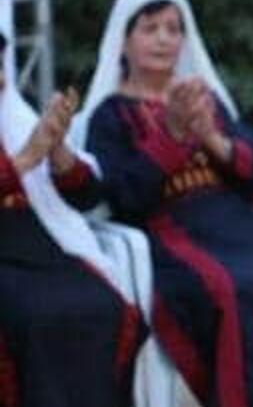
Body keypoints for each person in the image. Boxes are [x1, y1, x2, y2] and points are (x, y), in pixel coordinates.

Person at [73, 0, 253, 407]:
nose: (164, 39)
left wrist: (211, 137)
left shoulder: (206, 101)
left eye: (174, 29)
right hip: (168, 233)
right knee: (229, 290)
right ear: (124, 42)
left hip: (237, 223)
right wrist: (170, 137)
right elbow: (125, 197)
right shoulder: (110, 115)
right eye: (150, 28)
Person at [0, 31, 143, 407]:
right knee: (33, 318)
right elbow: (23, 162)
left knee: (102, 304)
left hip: (37, 241)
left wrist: (58, 149)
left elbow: (87, 197)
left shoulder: (11, 114)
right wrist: (24, 160)